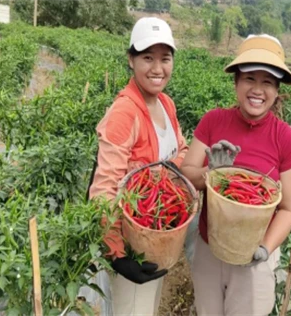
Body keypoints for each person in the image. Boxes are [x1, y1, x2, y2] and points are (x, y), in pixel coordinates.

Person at [180, 34, 291, 315]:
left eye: (268, 82)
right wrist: (210, 172)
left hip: (253, 258)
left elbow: (287, 208)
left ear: (276, 91)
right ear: (236, 82)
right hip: (209, 248)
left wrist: (264, 249)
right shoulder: (213, 120)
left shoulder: (288, 140)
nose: (257, 89)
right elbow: (186, 175)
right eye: (250, 78)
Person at [85, 17, 189, 315]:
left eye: (165, 58)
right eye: (147, 58)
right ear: (131, 60)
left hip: (156, 234)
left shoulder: (166, 103)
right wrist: (117, 254)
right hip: (131, 241)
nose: (157, 68)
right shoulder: (125, 112)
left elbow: (179, 150)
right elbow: (104, 188)